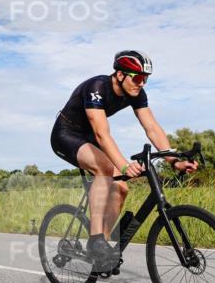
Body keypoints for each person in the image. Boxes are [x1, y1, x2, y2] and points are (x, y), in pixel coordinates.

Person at [50, 51, 197, 271]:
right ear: (120, 75)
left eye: (145, 78)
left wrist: (172, 159)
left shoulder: (136, 93)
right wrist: (124, 165)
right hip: (66, 134)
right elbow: (102, 134)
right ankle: (96, 238)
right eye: (137, 77)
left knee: (121, 188)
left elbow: (152, 127)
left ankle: (101, 251)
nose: (142, 83)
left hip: (89, 137)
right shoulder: (97, 87)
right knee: (105, 168)